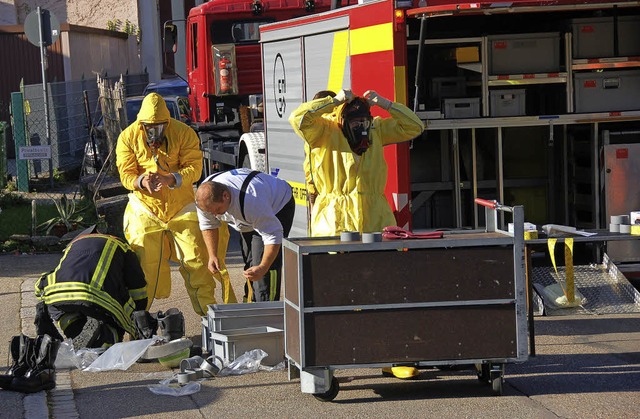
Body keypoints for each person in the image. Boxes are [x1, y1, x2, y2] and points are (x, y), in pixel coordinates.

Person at [289, 88, 425, 379]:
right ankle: (331, 357)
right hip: (335, 224)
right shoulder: (323, 131)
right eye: (355, 123)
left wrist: (385, 103)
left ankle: (393, 356)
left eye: (364, 121)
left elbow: (414, 126)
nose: (361, 128)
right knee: (334, 297)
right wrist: (335, 100)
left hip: (376, 220)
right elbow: (298, 118)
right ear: (340, 119)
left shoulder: (375, 130)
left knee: (386, 291)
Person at [116, 93, 237, 317]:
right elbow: (126, 174)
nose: (155, 133)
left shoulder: (184, 133)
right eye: (150, 128)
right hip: (145, 207)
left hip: (181, 205)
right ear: (141, 124)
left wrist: (171, 179)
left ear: (167, 122)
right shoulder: (127, 137)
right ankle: (139, 320)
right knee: (144, 263)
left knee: (196, 260)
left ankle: (209, 316)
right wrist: (142, 181)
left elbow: (195, 169)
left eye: (160, 127)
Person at [33, 227, 149, 349]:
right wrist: (138, 320)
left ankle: (77, 332)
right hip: (96, 297)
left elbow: (43, 284)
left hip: (57, 294)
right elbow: (138, 288)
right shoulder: (123, 247)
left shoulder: (72, 247)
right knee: (115, 321)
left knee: (61, 309)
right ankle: (106, 340)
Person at [195, 168, 295, 302]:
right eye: (211, 212)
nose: (216, 215)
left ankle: (266, 310)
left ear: (226, 196)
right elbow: (209, 226)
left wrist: (263, 267)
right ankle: (250, 304)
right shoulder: (205, 199)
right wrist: (212, 255)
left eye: (218, 210)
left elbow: (273, 235)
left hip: (278, 206)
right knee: (250, 264)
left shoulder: (252, 200)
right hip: (247, 215)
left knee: (263, 268)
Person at [304, 90, 336, 233]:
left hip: (322, 193)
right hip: (323, 193)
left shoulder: (317, 128)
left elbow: (311, 167)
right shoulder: (334, 127)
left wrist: (312, 195)